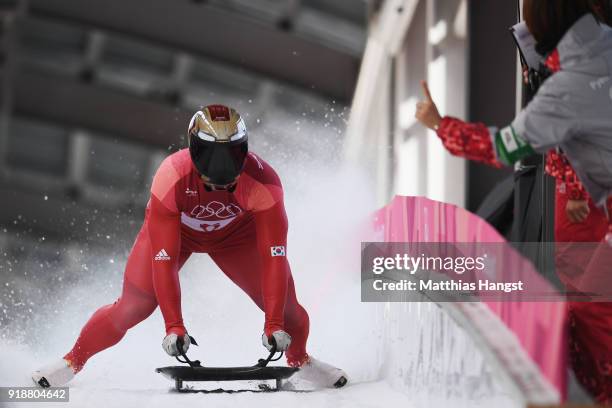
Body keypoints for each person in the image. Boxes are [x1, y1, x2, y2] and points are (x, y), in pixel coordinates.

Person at [32, 104, 348, 389]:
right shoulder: (170, 177)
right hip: (176, 237)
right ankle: (72, 361)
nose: (221, 168)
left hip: (235, 240)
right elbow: (164, 261)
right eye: (211, 156)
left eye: (231, 155)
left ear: (245, 151)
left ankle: (299, 359)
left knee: (288, 311)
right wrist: (174, 326)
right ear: (194, 149)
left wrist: (274, 324)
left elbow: (273, 258)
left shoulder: (265, 184)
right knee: (135, 305)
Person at [415, 0, 611, 403]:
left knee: (591, 316)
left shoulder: (563, 89)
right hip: (584, 215)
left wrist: (439, 124)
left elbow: (502, 147)